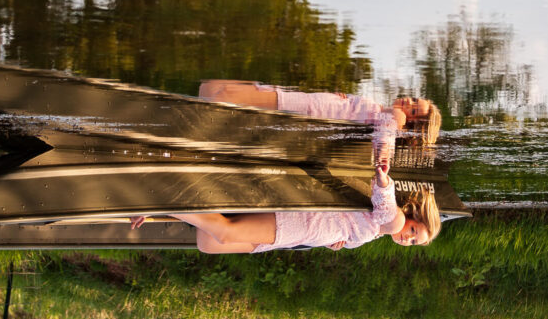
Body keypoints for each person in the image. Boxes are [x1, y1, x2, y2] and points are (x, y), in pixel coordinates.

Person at [131, 163, 441, 254]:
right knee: (224, 235)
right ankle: (161, 199)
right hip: (304, 224)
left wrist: (340, 244)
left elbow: (352, 234)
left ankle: (174, 203)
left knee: (209, 243)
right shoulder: (395, 220)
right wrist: (383, 178)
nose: (407, 238)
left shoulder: (380, 233)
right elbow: (385, 203)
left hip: (305, 234)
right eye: (414, 232)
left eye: (414, 241)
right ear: (412, 216)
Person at [198, 80, 441, 147]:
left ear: (411, 122)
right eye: (415, 100)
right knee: (213, 88)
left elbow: (386, 134)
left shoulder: (393, 119)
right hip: (304, 102)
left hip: (303, 109)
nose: (409, 101)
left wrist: (383, 162)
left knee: (226, 93)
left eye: (414, 109)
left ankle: (194, 121)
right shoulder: (378, 108)